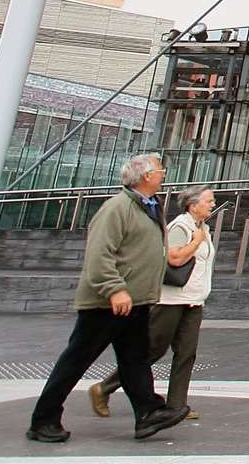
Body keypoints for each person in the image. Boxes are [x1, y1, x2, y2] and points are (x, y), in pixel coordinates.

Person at [26, 153, 189, 443]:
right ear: (146, 176)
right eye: (160, 170)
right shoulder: (117, 208)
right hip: (107, 304)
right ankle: (43, 420)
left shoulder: (149, 207)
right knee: (76, 360)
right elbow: (100, 253)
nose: (164, 174)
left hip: (135, 302)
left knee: (135, 360)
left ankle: (148, 413)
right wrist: (115, 288)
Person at [90, 186, 215, 422]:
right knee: (153, 350)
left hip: (194, 300)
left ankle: (177, 404)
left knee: (186, 353)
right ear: (193, 204)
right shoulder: (181, 227)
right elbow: (174, 258)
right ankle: (105, 387)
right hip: (170, 301)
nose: (212, 204)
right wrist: (196, 242)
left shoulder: (202, 228)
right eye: (208, 200)